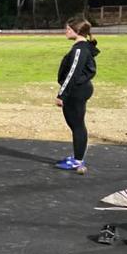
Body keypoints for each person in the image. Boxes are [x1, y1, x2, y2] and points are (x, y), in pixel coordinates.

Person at [54, 16, 99, 174]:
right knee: (76, 124)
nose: (65, 31)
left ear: (77, 31)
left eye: (68, 29)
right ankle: (77, 157)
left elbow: (72, 74)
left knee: (77, 125)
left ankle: (77, 160)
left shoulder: (79, 49)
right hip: (78, 89)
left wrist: (61, 95)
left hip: (77, 91)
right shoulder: (82, 46)